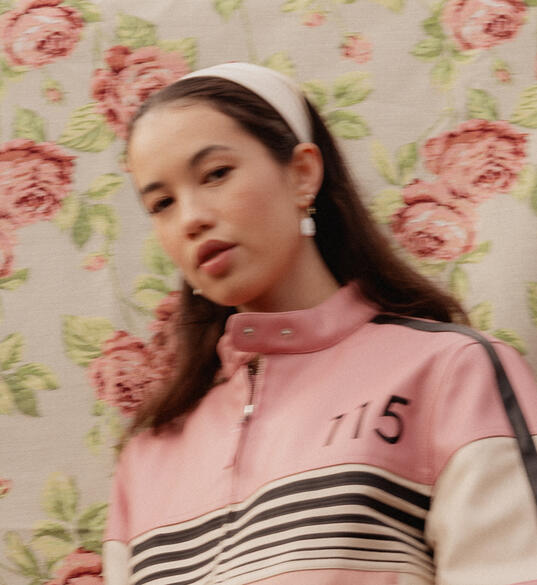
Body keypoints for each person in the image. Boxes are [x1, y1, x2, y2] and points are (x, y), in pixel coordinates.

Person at [102, 62, 537, 585]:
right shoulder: (147, 459)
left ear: (302, 173)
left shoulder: (452, 375)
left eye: (216, 174)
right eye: (162, 203)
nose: (190, 217)